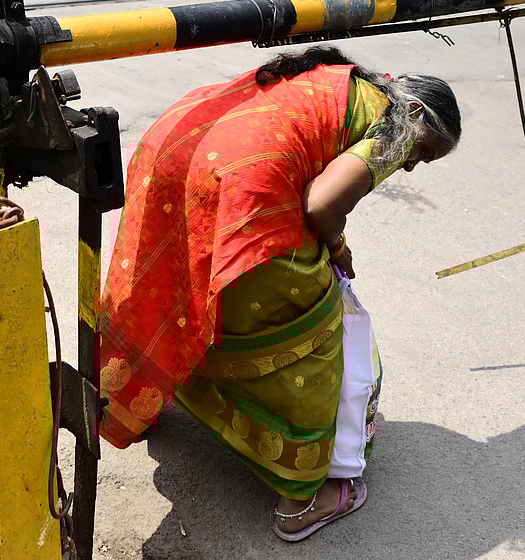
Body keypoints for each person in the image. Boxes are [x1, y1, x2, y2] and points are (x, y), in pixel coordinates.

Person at [99, 46, 461, 542]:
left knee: (176, 288)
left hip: (178, 147)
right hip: (242, 189)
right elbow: (321, 204)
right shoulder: (394, 127)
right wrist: (336, 247)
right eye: (423, 152)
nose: (413, 165)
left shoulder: (348, 82)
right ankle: (301, 501)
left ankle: (134, 398)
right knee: (315, 332)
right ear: (414, 110)